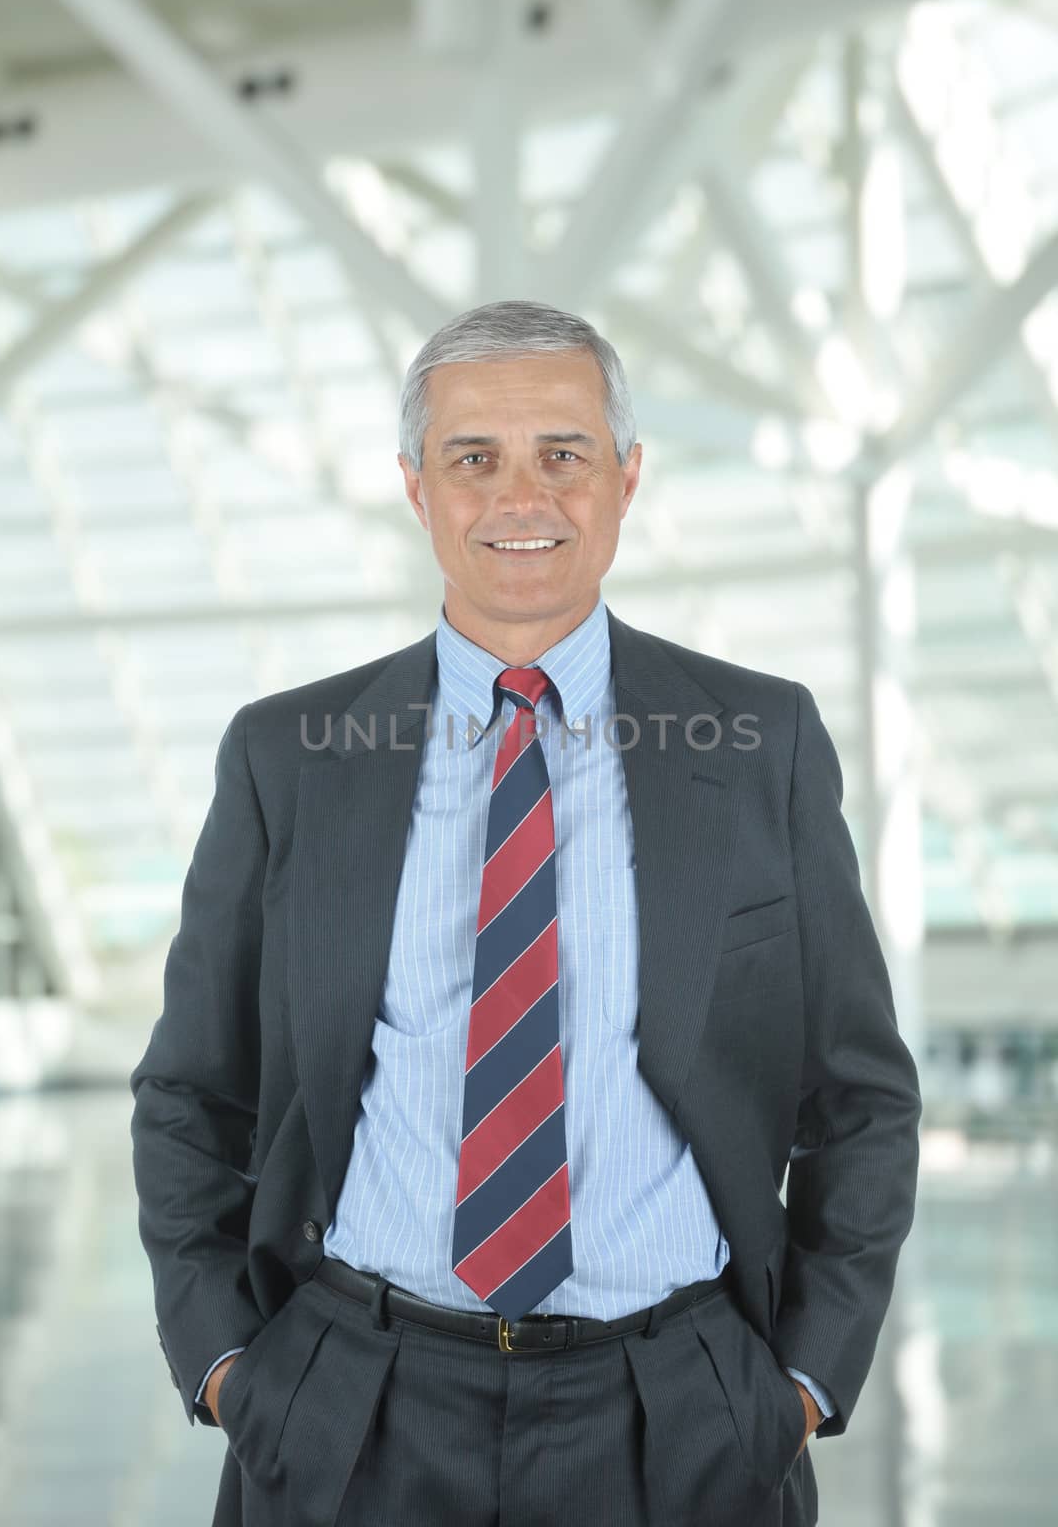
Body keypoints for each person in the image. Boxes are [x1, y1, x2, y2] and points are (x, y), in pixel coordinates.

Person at [130, 298, 921, 1527]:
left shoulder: (760, 740)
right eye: (472, 459)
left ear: (627, 476)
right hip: (354, 1410)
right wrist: (231, 1368)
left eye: (563, 453)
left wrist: (801, 1382)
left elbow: (859, 1096)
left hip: (682, 1416)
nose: (521, 498)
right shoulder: (288, 756)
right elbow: (191, 1092)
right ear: (414, 487)